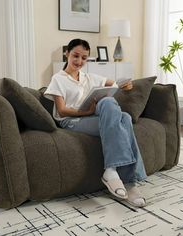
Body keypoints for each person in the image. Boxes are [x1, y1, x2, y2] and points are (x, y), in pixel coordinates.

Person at [44, 38, 147, 207]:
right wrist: (87, 112)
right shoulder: (58, 79)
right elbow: (62, 110)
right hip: (72, 120)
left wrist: (125, 86)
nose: (79, 61)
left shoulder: (89, 77)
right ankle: (130, 182)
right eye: (75, 56)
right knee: (125, 119)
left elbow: (113, 84)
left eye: (84, 58)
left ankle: (111, 171)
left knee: (111, 105)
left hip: (90, 116)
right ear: (67, 53)